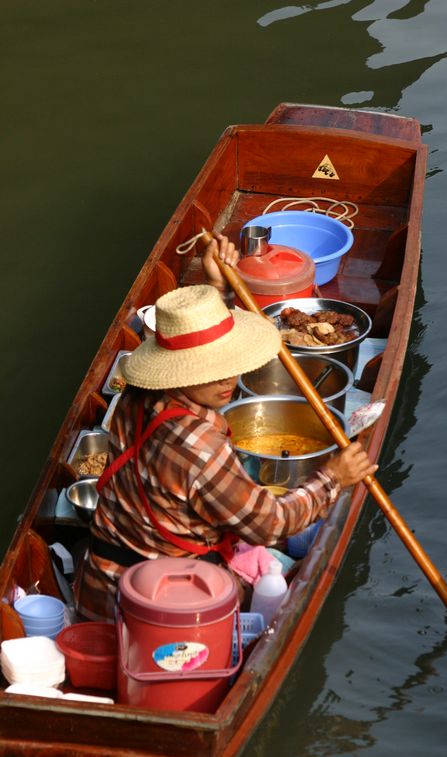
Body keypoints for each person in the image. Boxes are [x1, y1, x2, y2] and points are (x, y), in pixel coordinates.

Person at [74, 236, 378, 622]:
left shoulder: (138, 394)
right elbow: (270, 524)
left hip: (101, 581)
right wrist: (333, 478)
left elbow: (199, 339)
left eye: (228, 362)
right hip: (154, 609)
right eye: (212, 369)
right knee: (284, 558)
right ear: (182, 371)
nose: (228, 378)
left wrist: (217, 288)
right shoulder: (197, 443)